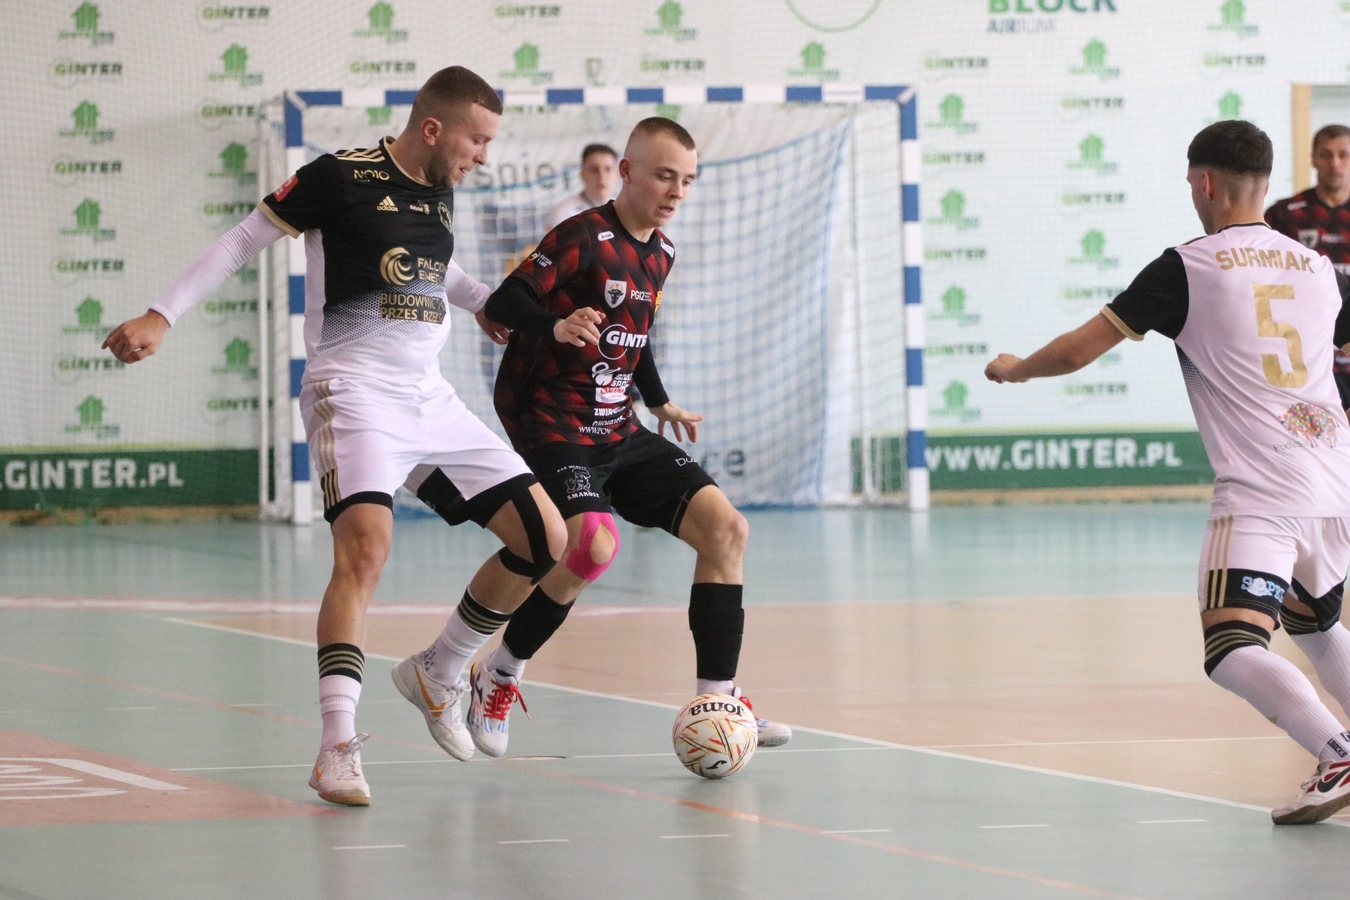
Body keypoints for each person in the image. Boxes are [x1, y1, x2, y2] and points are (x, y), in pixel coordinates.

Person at [102, 66, 567, 807]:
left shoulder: (439, 188)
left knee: (545, 539)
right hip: (352, 391)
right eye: (477, 140)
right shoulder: (338, 177)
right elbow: (242, 241)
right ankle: (335, 748)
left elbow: (434, 269)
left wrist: (483, 301)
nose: (483, 156)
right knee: (365, 552)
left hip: (429, 398)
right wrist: (161, 315)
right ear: (433, 128)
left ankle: (440, 669)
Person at [984, 119, 1350, 825]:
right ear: (1266, 184)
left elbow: (1078, 351)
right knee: (1316, 623)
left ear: (1204, 183)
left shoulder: (1187, 267)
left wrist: (1016, 369)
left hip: (1262, 491)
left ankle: (1336, 752)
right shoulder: (1319, 269)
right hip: (1336, 479)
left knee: (1232, 646)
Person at [417, 117, 792, 757]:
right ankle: (499, 672)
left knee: (726, 529)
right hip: (551, 418)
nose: (676, 191)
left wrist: (658, 399)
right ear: (627, 172)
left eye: (687, 180)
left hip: (617, 424)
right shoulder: (582, 236)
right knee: (592, 544)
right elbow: (504, 304)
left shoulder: (662, 252)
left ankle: (720, 701)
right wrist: (556, 324)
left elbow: (634, 336)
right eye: (665, 176)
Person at [1266, 124, 1350, 408]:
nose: (1335, 163)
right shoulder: (1283, 215)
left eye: (1343, 154)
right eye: (1326, 154)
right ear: (1312, 158)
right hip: (1307, 361)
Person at [544, 143, 618, 231]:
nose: (602, 176)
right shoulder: (564, 213)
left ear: (617, 174)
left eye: (608, 169)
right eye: (594, 170)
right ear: (583, 174)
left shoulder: (624, 210)